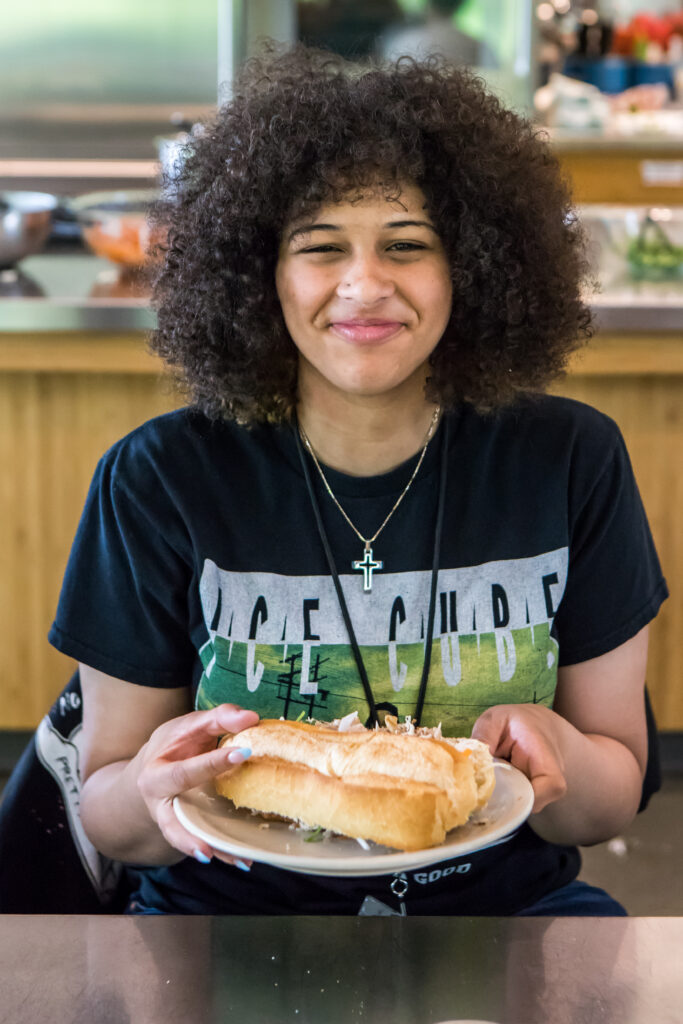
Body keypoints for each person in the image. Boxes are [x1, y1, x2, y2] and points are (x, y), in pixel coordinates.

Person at [47, 43, 667, 916]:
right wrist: (151, 784)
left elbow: (608, 797)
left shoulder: (570, 462)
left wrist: (561, 747)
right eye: (320, 247)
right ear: (258, 274)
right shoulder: (159, 480)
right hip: (220, 920)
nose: (363, 284)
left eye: (406, 245)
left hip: (502, 914)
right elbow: (112, 815)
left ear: (476, 269)